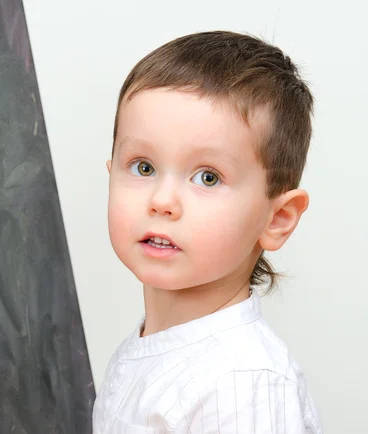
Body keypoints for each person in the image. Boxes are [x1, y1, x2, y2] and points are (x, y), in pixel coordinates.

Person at [93, 30, 322, 433]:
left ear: (277, 218)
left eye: (208, 177)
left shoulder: (241, 383)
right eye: (143, 167)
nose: (163, 200)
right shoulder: (154, 348)